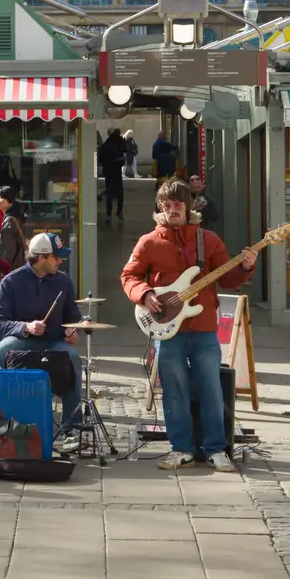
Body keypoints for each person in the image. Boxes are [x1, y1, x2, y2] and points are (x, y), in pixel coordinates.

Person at [121, 178, 256, 472]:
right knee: (174, 391)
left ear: (188, 206)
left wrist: (246, 266)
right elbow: (129, 276)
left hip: (204, 328)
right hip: (168, 330)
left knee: (212, 389)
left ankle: (216, 449)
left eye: (177, 204)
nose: (172, 210)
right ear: (160, 207)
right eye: (167, 205)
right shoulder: (149, 242)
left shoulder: (209, 240)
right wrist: (145, 295)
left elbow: (228, 279)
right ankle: (181, 449)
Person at [0, 232, 84, 429]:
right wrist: (25, 327)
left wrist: (72, 330)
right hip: (23, 340)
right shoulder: (11, 281)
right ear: (41, 258)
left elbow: (73, 317)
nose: (60, 261)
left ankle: (72, 426)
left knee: (73, 358)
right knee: (1, 350)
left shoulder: (63, 281)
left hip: (54, 341)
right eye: (56, 257)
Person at [0, 187, 27, 276]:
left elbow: (7, 249)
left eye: (0, 198)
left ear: (10, 199)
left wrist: (3, 269)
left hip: (12, 268)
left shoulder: (10, 220)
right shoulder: (17, 215)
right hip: (19, 264)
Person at [98, 128, 127, 221]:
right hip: (116, 171)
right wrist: (119, 161)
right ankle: (119, 211)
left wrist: (106, 164)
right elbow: (125, 151)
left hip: (108, 171)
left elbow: (100, 157)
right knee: (119, 193)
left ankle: (108, 214)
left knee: (109, 192)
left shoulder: (106, 143)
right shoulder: (119, 141)